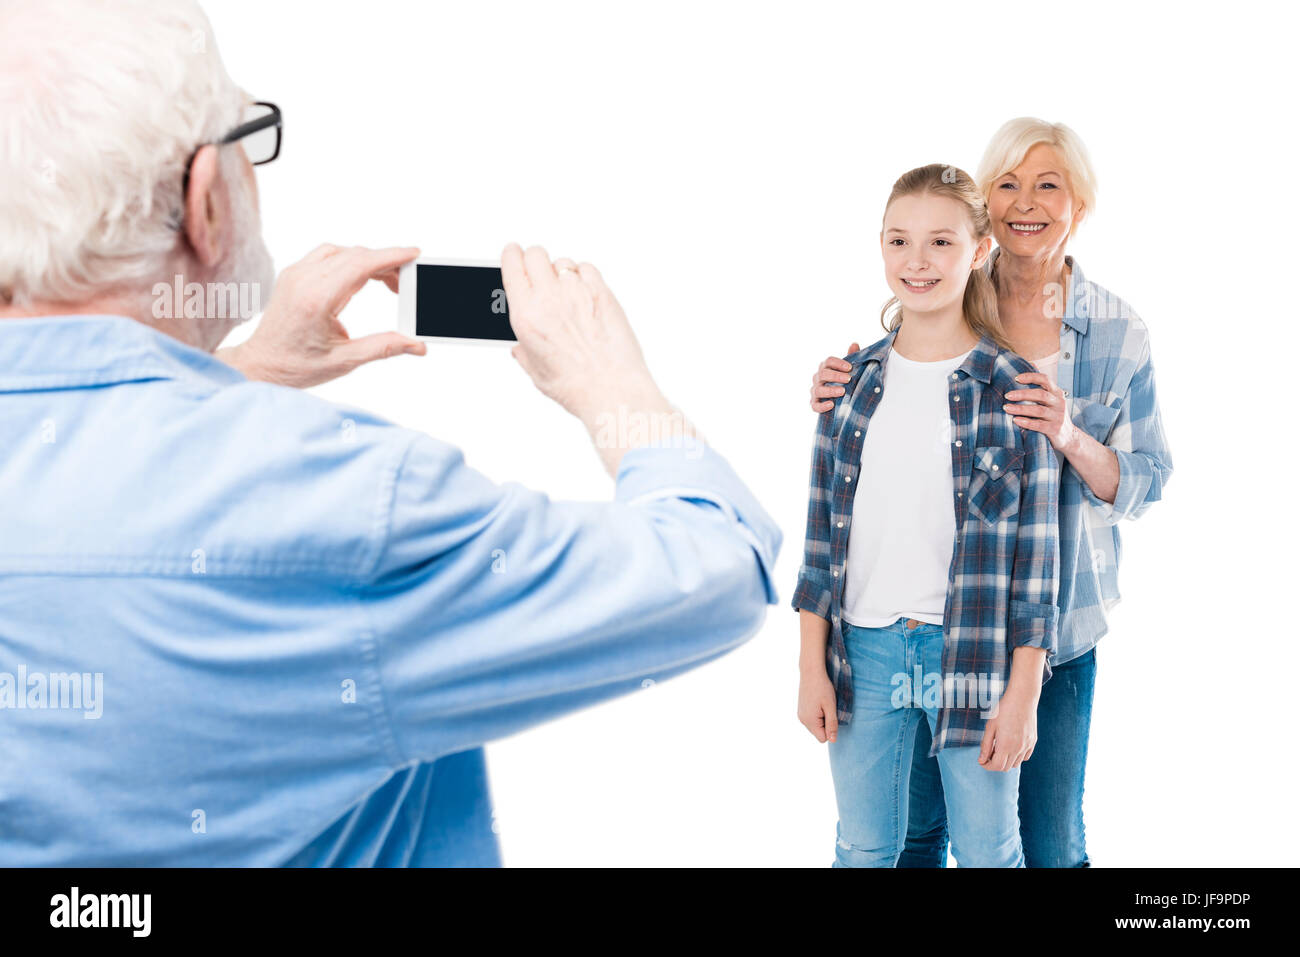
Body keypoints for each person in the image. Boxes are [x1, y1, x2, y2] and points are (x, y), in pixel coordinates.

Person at [0, 0, 780, 866]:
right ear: (204, 203)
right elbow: (719, 567)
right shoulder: (345, 506)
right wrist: (611, 383)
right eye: (244, 138)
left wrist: (243, 374)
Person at [808, 119, 1173, 867]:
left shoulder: (1107, 335)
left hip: (1046, 632)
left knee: (1041, 838)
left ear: (1081, 204)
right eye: (1007, 183)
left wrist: (1069, 433)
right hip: (901, 632)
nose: (1026, 202)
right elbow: (837, 515)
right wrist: (841, 382)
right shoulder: (916, 331)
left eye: (1049, 185)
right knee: (902, 834)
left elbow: (1142, 482)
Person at [794, 163, 1061, 867]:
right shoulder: (849, 387)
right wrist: (809, 664)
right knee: (863, 846)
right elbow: (820, 540)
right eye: (899, 241)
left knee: (986, 849)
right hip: (864, 653)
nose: (917, 261)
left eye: (941, 243)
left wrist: (1025, 690)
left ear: (978, 251)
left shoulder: (1013, 390)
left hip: (971, 652)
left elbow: (1037, 563)